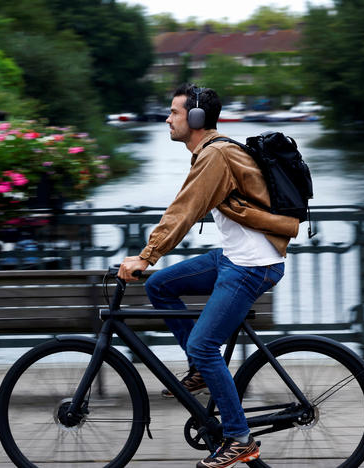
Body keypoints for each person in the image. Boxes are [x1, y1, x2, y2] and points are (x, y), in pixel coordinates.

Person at [118, 83, 299, 468]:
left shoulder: (215, 155)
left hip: (253, 264)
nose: (167, 118)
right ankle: (201, 370)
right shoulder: (213, 152)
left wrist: (146, 255)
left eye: (174, 113)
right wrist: (152, 265)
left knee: (202, 343)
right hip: (233, 257)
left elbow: (182, 211)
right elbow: (191, 208)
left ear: (196, 119)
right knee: (161, 285)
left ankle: (239, 438)